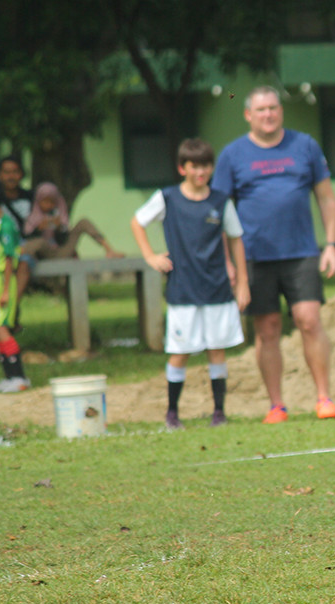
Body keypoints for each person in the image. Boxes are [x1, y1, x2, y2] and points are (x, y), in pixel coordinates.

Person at [212, 85, 335, 424]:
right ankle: (276, 406)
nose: (268, 114)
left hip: (301, 252)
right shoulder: (232, 155)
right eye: (261, 109)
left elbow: (326, 198)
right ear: (248, 115)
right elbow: (219, 212)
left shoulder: (305, 146)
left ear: (280, 111)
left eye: (273, 108)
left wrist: (330, 244)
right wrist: (228, 261)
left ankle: (324, 399)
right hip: (254, 257)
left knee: (309, 321)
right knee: (267, 329)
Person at [131, 138, 251, 429]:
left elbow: (236, 240)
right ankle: (172, 414)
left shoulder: (221, 201)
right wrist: (150, 256)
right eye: (195, 166)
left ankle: (218, 413)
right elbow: (137, 222)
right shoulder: (167, 198)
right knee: (180, 352)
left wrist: (243, 282)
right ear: (182, 168)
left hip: (217, 289)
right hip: (183, 290)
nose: (201, 171)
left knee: (217, 349)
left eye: (206, 165)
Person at [15, 182, 124, 298]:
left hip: (61, 251)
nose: (48, 205)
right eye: (44, 201)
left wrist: (60, 229)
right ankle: (14, 261)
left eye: (51, 202)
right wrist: (38, 229)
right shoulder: (32, 218)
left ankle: (109, 250)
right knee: (38, 243)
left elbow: (64, 239)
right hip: (43, 254)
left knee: (83, 222)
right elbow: (27, 237)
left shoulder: (60, 214)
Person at [0, 200, 29, 392]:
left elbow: (9, 259)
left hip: (3, 282)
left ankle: (19, 377)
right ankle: (9, 377)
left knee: (1, 329)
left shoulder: (6, 225)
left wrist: (7, 289)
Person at [0, 157, 33, 231]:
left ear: (21, 174)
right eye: (6, 172)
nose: (11, 176)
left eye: (15, 172)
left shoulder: (32, 198)